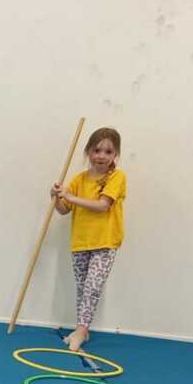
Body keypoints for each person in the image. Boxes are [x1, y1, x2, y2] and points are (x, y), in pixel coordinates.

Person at [52, 127, 127, 351]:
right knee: (83, 287)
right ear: (88, 152)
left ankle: (81, 330)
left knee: (92, 287)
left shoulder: (117, 177)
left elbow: (103, 205)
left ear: (115, 155)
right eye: (97, 150)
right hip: (80, 241)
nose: (101, 156)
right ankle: (81, 330)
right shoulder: (79, 179)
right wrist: (56, 197)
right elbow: (63, 210)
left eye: (108, 151)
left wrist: (71, 196)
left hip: (105, 241)